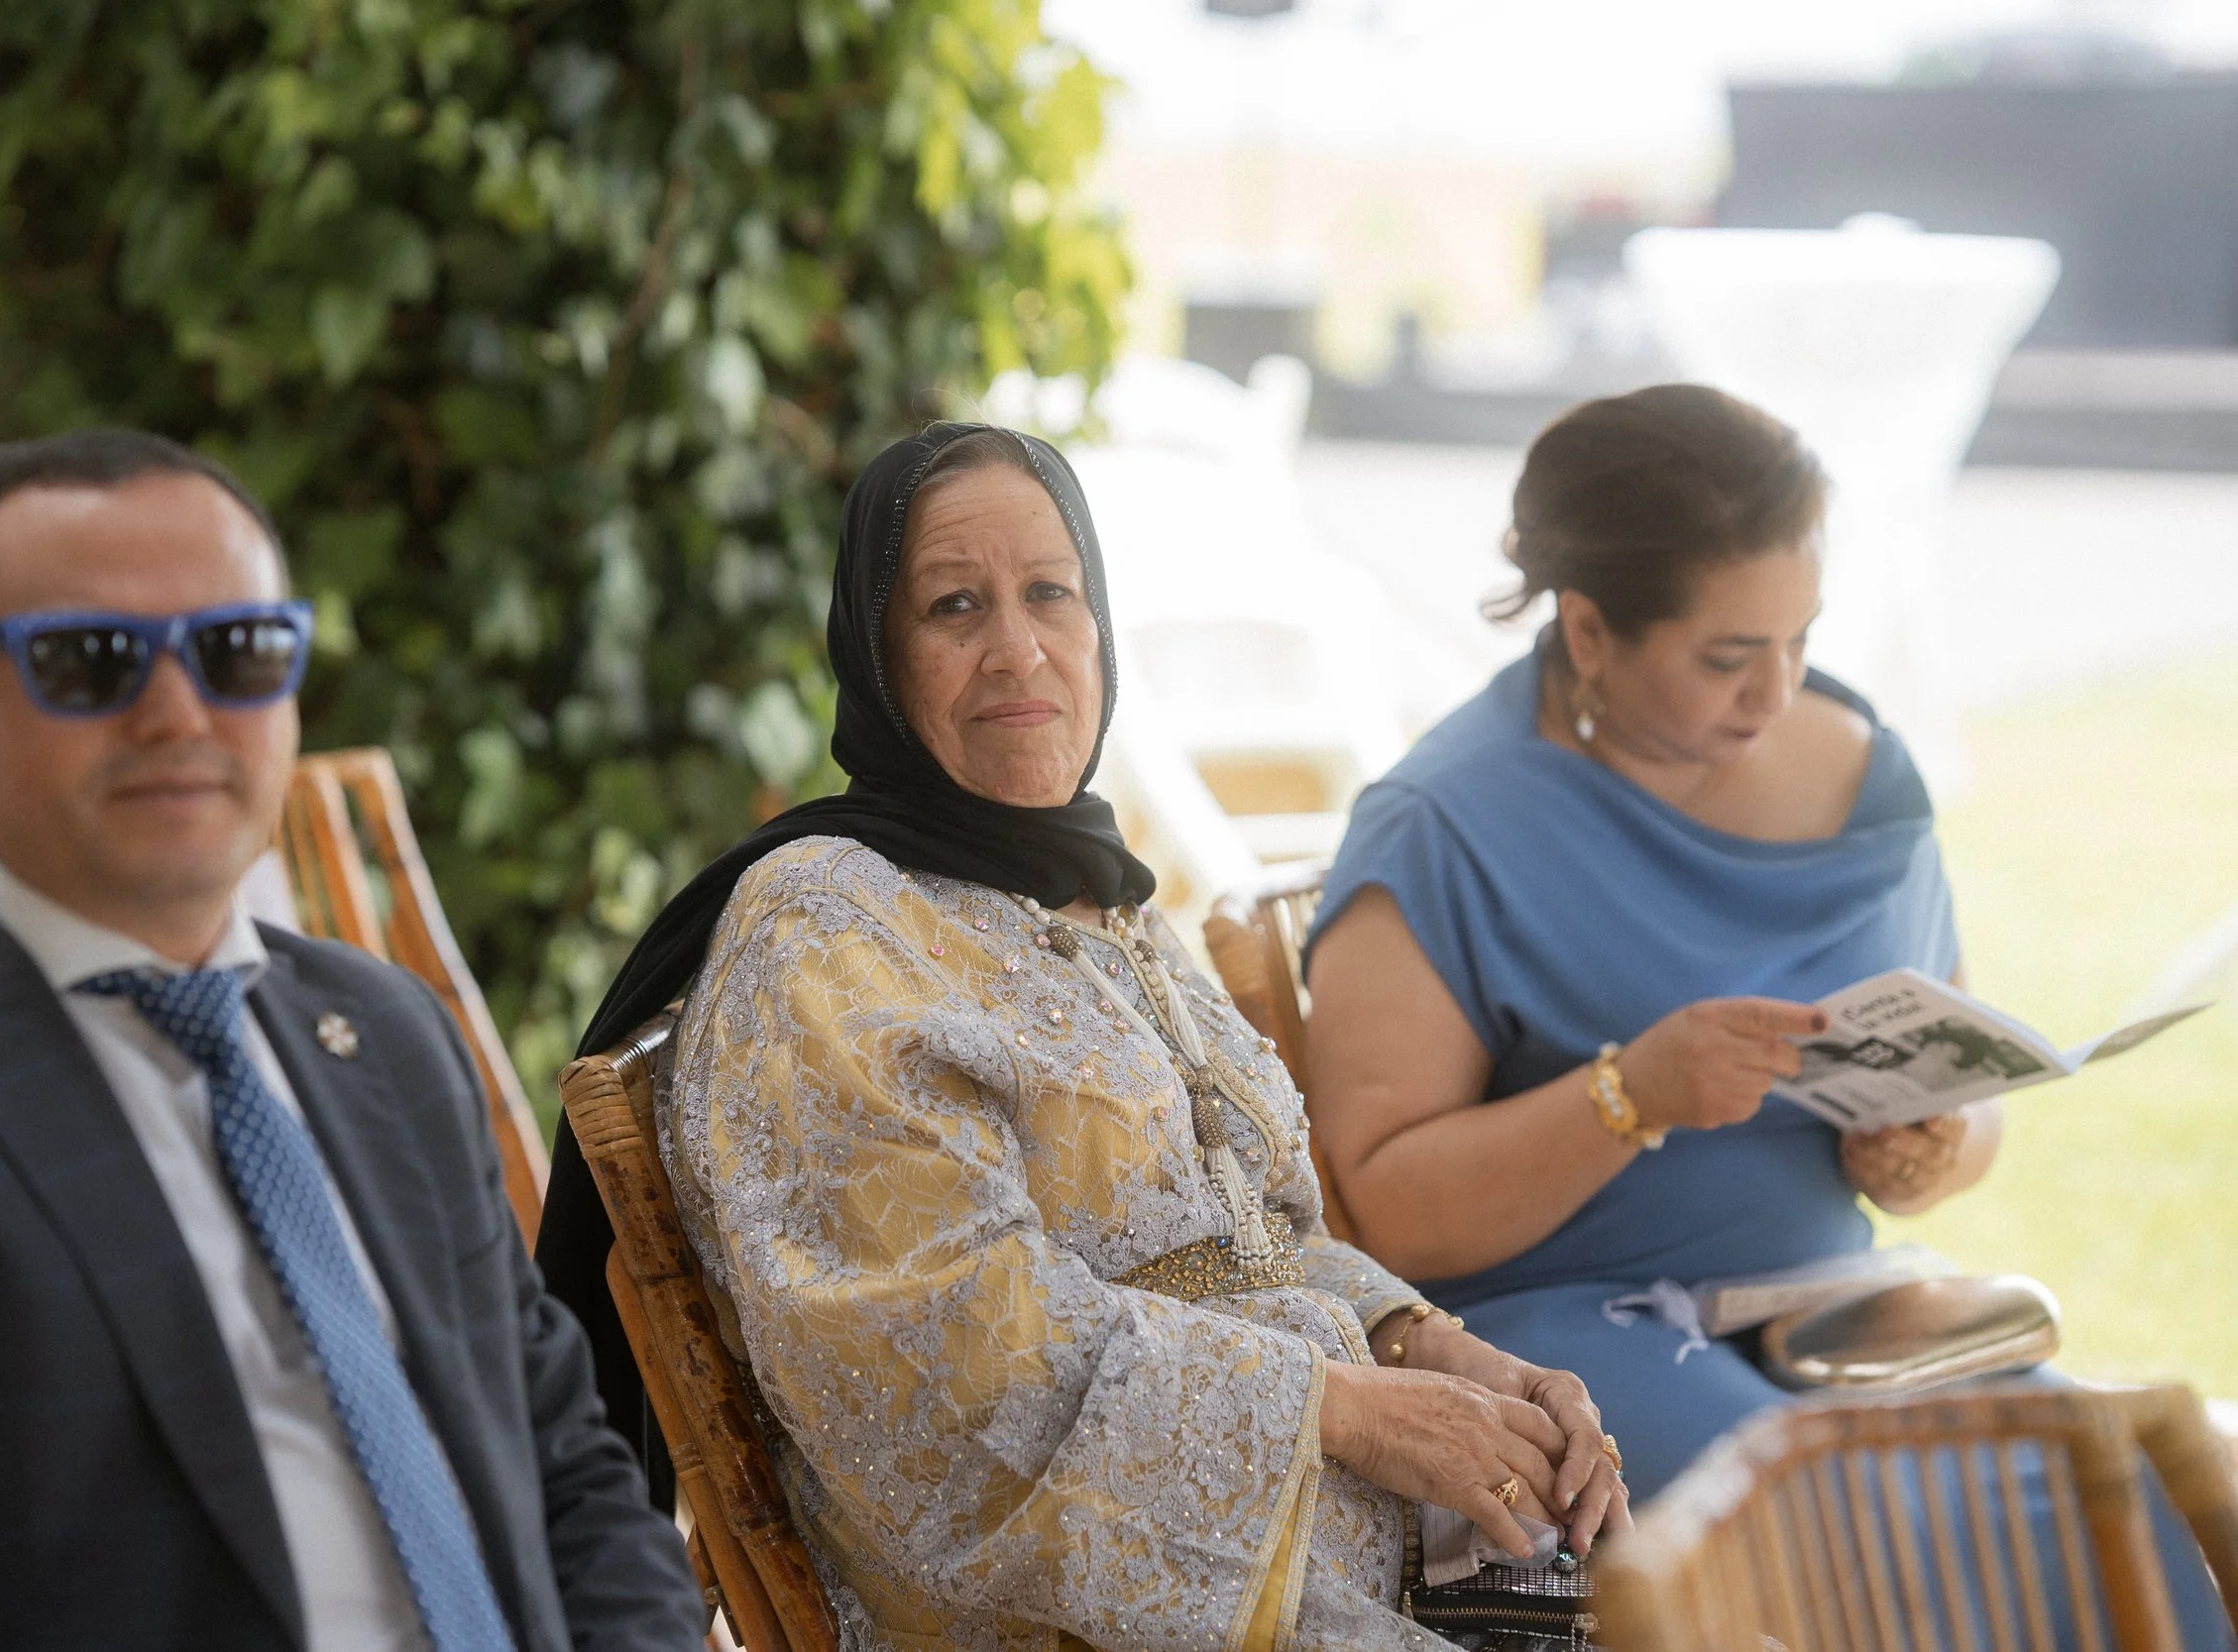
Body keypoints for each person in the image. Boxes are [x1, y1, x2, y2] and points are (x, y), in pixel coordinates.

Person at [536, 423, 1627, 1651]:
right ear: (878, 656)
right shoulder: (827, 927)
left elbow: (1254, 1241)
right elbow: (945, 1369)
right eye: (955, 605)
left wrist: (1443, 1354)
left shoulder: (1093, 891)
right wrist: (1352, 1412)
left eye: (1050, 593)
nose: (1019, 647)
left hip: (1343, 1554)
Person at [1303, 385, 2231, 1642]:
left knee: (2131, 1504)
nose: (1775, 691)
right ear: (1587, 630)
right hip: (1563, 1334)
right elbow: (1381, 1203)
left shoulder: (1862, 776)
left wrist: (1934, 1143)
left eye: (1798, 639)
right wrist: (1627, 1094)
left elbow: (1961, 1073)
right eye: (1727, 657)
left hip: (1843, 1311)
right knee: (1839, 1536)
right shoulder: (1439, 824)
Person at [0, 431, 712, 1652]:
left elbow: (567, 1468)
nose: (178, 708)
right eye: (91, 658)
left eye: (238, 650)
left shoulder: (387, 1034)